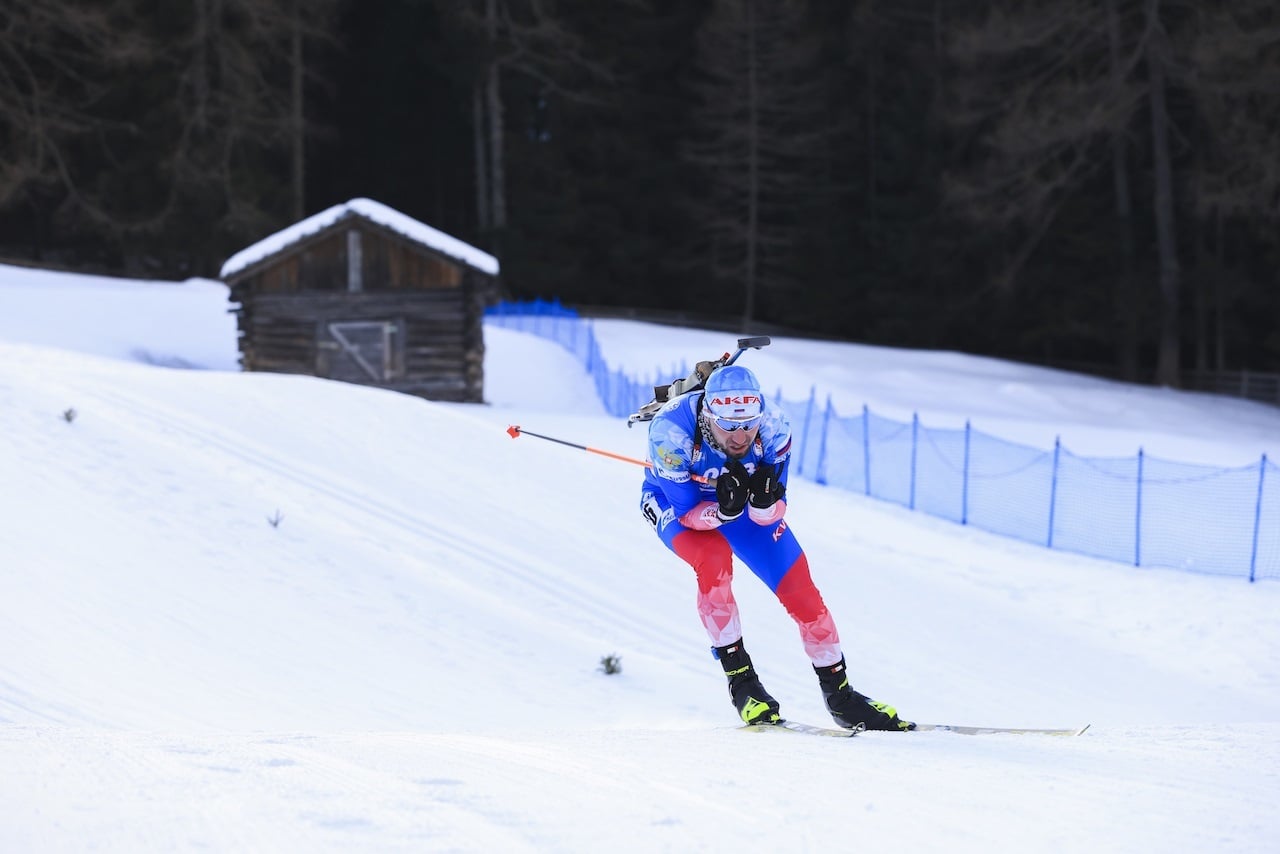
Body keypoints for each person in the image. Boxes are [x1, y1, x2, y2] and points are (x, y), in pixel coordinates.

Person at [639, 363, 913, 731]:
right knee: (714, 561)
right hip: (677, 504)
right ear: (708, 416)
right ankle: (743, 684)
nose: (740, 437)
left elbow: (770, 513)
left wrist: (763, 505)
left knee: (802, 592)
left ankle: (841, 696)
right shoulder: (670, 433)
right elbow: (687, 513)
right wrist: (722, 511)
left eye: (748, 425)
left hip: (732, 506)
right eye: (730, 427)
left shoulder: (774, 426)